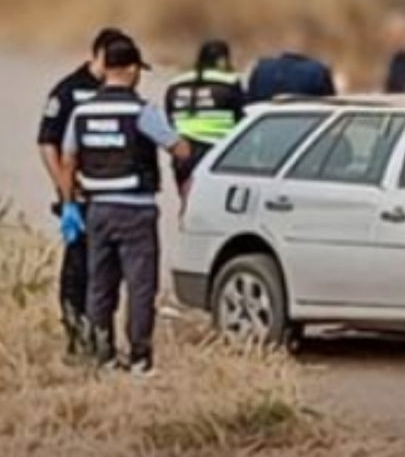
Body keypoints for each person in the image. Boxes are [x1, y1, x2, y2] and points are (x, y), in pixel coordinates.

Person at [57, 35, 190, 375]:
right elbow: (179, 149)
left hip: (97, 210)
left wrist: (69, 204)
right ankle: (140, 358)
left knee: (99, 285)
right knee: (140, 287)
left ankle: (102, 355)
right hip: (136, 210)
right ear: (131, 70)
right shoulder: (141, 111)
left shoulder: (82, 112)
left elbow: (68, 159)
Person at [36, 26, 125, 357]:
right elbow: (47, 143)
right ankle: (76, 336)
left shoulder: (117, 91)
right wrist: (66, 192)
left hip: (112, 196)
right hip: (80, 198)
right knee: (77, 269)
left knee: (108, 272)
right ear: (100, 55)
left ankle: (102, 340)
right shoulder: (69, 91)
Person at [163, 39, 245, 193]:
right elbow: (241, 121)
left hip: (183, 154)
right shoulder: (229, 82)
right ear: (222, 60)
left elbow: (169, 120)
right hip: (216, 152)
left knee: (188, 201)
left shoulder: (176, 83)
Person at [246, 51, 336, 102]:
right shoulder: (318, 70)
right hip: (307, 122)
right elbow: (329, 102)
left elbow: (250, 101)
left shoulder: (262, 68)